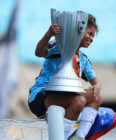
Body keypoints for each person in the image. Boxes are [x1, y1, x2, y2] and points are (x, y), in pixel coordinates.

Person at [28, 12, 102, 140]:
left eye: (93, 36)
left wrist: (97, 86)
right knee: (79, 101)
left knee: (96, 98)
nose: (92, 38)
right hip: (41, 96)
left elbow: (96, 81)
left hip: (64, 97)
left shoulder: (83, 59)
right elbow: (38, 52)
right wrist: (48, 34)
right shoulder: (59, 46)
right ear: (79, 30)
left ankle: (79, 137)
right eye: (89, 34)